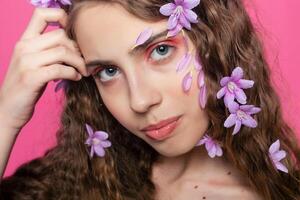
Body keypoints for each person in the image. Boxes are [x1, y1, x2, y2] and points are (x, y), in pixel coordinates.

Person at [0, 0, 299, 199]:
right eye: (108, 70)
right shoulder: (68, 184)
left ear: (217, 40)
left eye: (160, 50)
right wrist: (6, 117)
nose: (140, 101)